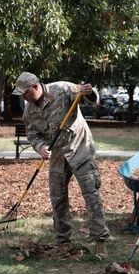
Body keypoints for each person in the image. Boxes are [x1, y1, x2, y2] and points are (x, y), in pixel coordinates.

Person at [15, 72, 110, 258]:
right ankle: (63, 241)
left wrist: (88, 93)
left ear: (35, 86)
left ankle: (100, 241)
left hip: (80, 149)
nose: (24, 97)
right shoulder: (29, 110)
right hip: (58, 156)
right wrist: (40, 147)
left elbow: (91, 100)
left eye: (25, 93)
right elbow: (33, 134)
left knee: (91, 196)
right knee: (57, 198)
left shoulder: (62, 88)